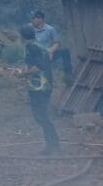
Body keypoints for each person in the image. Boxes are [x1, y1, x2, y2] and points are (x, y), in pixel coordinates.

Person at [20, 24, 60, 155]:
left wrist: (24, 73)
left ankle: (54, 146)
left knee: (42, 116)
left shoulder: (32, 47)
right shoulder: (36, 45)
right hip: (39, 85)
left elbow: (40, 65)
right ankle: (51, 145)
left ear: (22, 37)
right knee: (41, 116)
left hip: (41, 87)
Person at [30, 10, 73, 82]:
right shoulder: (30, 28)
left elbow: (57, 43)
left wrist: (50, 51)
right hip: (35, 54)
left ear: (40, 19)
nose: (31, 20)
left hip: (47, 53)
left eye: (33, 18)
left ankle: (68, 74)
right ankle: (30, 71)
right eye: (31, 18)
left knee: (65, 50)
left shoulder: (50, 29)